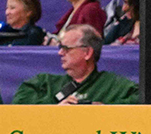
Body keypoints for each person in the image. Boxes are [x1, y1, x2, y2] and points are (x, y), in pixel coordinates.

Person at [12, 25, 140, 104]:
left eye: (66, 48)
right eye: (60, 48)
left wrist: (104, 109)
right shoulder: (45, 82)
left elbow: (142, 100)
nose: (60, 53)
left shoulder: (113, 85)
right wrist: (53, 108)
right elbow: (19, 103)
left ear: (87, 53)